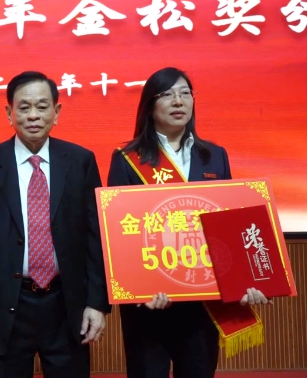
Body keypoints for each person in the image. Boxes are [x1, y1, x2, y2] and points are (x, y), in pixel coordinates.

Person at [107, 67, 271, 378]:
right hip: (151, 302)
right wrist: (139, 286)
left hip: (203, 303)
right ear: (149, 106)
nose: (178, 101)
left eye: (185, 93)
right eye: (167, 94)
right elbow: (119, 232)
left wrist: (245, 281)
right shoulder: (128, 158)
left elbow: (228, 224)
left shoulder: (214, 156)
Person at [0, 71, 110, 378]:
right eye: (24, 107)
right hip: (4, 306)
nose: (33, 115)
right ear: (9, 113)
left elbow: (96, 238)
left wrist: (97, 302)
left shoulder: (81, 161)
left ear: (57, 111)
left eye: (42, 106)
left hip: (66, 305)